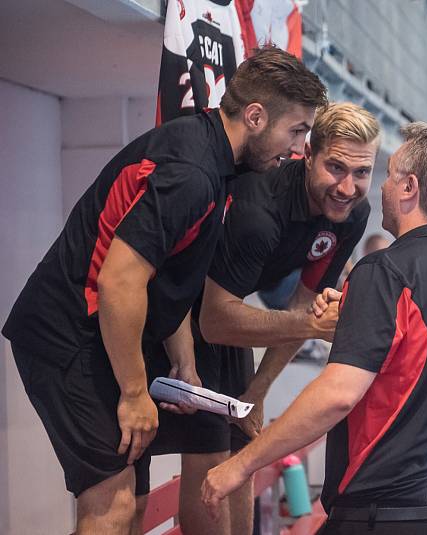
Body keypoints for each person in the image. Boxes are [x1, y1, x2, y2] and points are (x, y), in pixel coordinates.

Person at [1, 45, 326, 535]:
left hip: (105, 334)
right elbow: (120, 280)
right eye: (296, 130)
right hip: (67, 335)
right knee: (111, 506)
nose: (299, 148)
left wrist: (185, 365)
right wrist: (134, 391)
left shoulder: (215, 162)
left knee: (133, 502)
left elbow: (169, 276)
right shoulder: (193, 174)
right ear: (256, 117)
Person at [201, 122, 427, 535]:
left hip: (387, 515)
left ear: (410, 187)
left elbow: (337, 395)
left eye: (388, 176)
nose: (378, 189)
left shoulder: (387, 271)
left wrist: (242, 464)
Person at [148, 102, 380, 535]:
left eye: (361, 172)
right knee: (210, 457)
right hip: (172, 305)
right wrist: (310, 326)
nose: (347, 187)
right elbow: (216, 321)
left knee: (243, 448)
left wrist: (257, 390)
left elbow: (303, 305)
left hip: (221, 311)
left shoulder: (351, 215)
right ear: (308, 154)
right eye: (336, 167)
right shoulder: (262, 208)